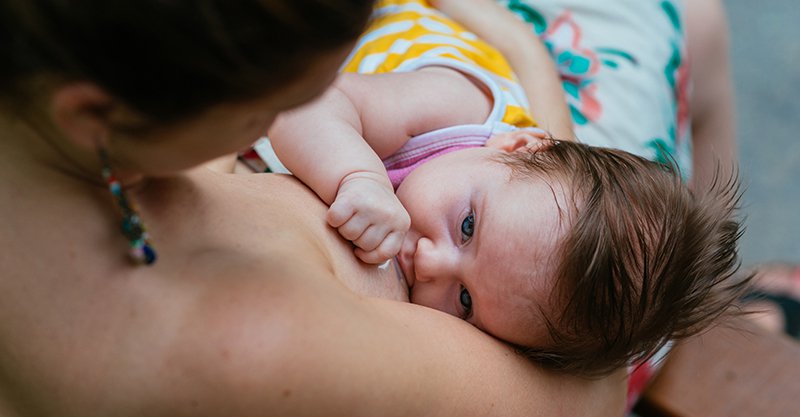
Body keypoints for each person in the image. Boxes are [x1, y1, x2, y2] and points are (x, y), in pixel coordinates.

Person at [0, 1, 627, 416]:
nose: (275, 126)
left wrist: (522, 59)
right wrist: (528, 52)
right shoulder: (237, 340)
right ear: (95, 115)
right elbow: (596, 388)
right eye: (261, 110)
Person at [267, 0, 747, 376]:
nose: (430, 264)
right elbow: (298, 110)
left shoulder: (503, 221)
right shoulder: (451, 104)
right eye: (468, 226)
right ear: (517, 145)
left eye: (466, 301)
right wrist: (357, 176)